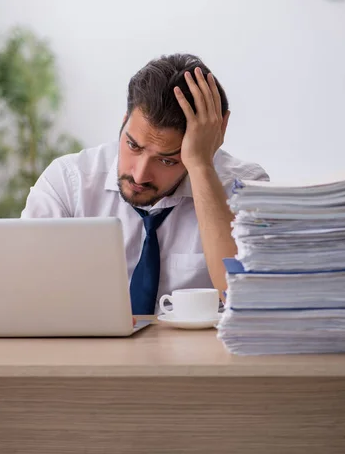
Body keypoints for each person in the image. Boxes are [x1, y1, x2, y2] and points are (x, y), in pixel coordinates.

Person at [22, 54, 269, 313]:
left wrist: (200, 166)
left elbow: (247, 300)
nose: (139, 176)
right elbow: (23, 290)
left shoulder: (245, 188)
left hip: (199, 353)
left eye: (167, 161)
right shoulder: (68, 182)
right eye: (133, 145)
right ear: (124, 121)